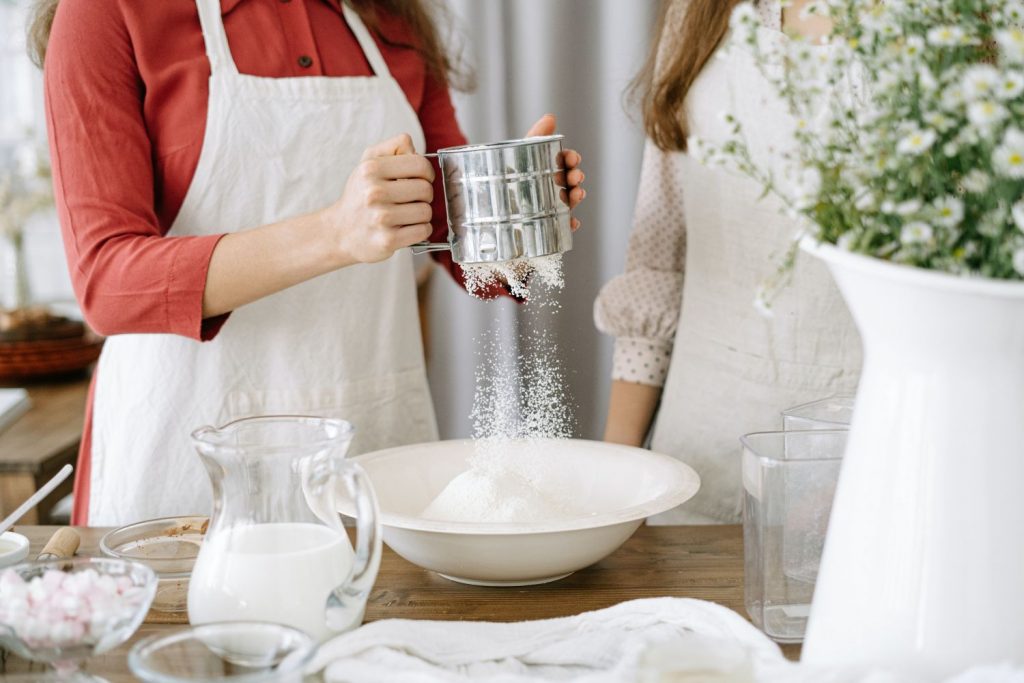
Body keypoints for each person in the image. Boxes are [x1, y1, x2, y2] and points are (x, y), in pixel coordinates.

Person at [32, 0, 585, 526]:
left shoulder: (388, 18)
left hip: (370, 450)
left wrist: (523, 211)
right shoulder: (105, 13)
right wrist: (334, 233)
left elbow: (463, 242)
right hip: (187, 470)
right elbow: (107, 282)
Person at [594, 0, 860, 524]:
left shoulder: (958, 29)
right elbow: (659, 266)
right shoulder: (699, 15)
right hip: (699, 464)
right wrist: (617, 485)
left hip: (865, 456)